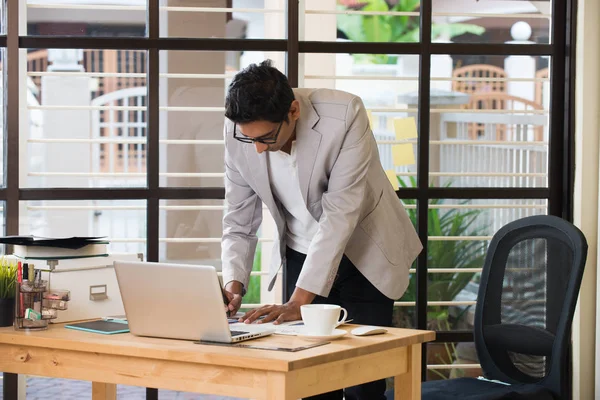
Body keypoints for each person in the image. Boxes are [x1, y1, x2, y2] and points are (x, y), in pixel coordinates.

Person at [221, 60, 422, 400]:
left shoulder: (344, 114)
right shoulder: (241, 131)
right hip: (302, 253)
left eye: (267, 137)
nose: (256, 148)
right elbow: (239, 216)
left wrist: (299, 301)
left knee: (364, 380)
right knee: (311, 379)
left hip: (365, 253)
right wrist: (233, 285)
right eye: (248, 138)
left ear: (294, 110)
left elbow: (340, 214)